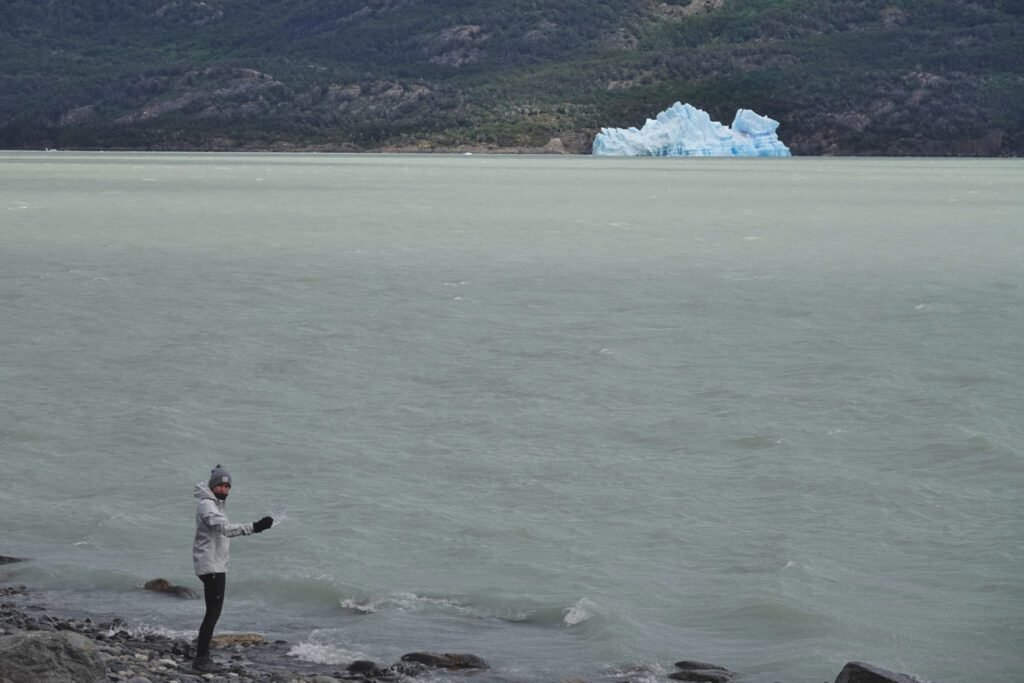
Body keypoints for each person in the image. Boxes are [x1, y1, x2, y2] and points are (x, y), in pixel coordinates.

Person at [191, 464, 273, 673]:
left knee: (213, 612)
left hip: (215, 565)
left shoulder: (215, 504)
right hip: (211, 566)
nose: (225, 490)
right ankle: (201, 659)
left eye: (228, 487)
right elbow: (225, 529)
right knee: (212, 613)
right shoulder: (207, 505)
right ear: (213, 486)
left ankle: (202, 654)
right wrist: (255, 527)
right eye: (220, 486)